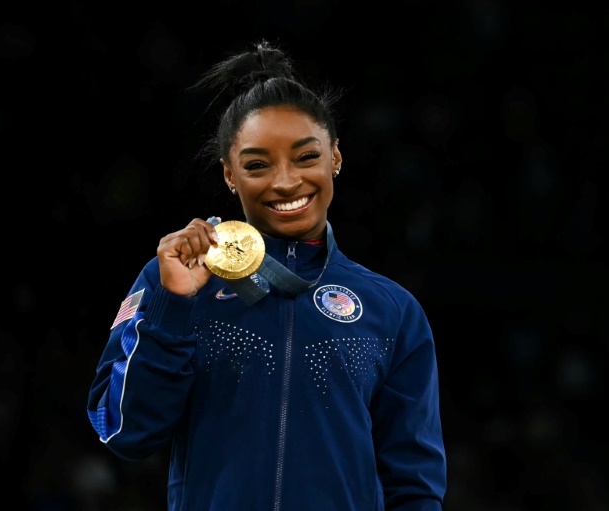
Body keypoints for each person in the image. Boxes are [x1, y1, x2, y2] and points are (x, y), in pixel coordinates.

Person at [87, 39, 447, 510]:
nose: (285, 181)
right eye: (257, 165)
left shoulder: (391, 309)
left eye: (306, 157)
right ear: (229, 175)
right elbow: (122, 431)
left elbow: (415, 486)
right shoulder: (173, 279)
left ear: (335, 157)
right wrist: (173, 307)